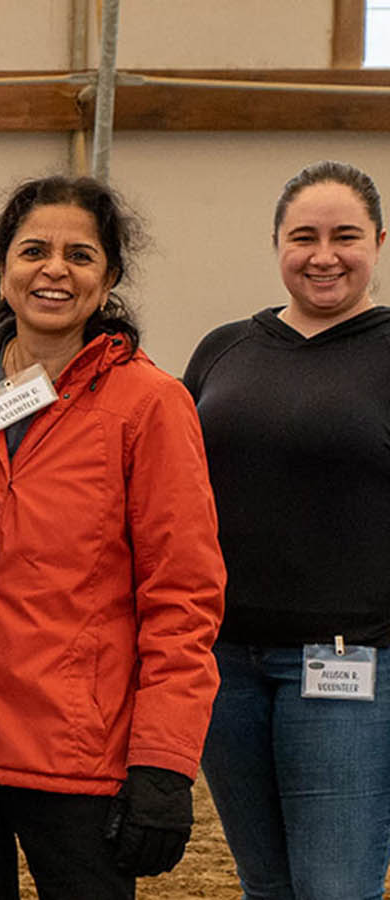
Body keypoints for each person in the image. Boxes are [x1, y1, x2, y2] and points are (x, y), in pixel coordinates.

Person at [0, 175, 225, 898]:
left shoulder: (150, 407)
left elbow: (183, 595)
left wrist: (163, 759)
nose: (55, 270)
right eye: (34, 250)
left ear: (110, 278)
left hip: (77, 755)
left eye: (81, 255)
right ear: (1, 267)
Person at [186, 160, 390, 898]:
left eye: (346, 236)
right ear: (276, 243)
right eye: (303, 236)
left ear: (380, 242)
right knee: (266, 885)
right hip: (224, 662)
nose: (324, 254)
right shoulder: (225, 349)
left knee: (334, 887)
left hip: (350, 664)